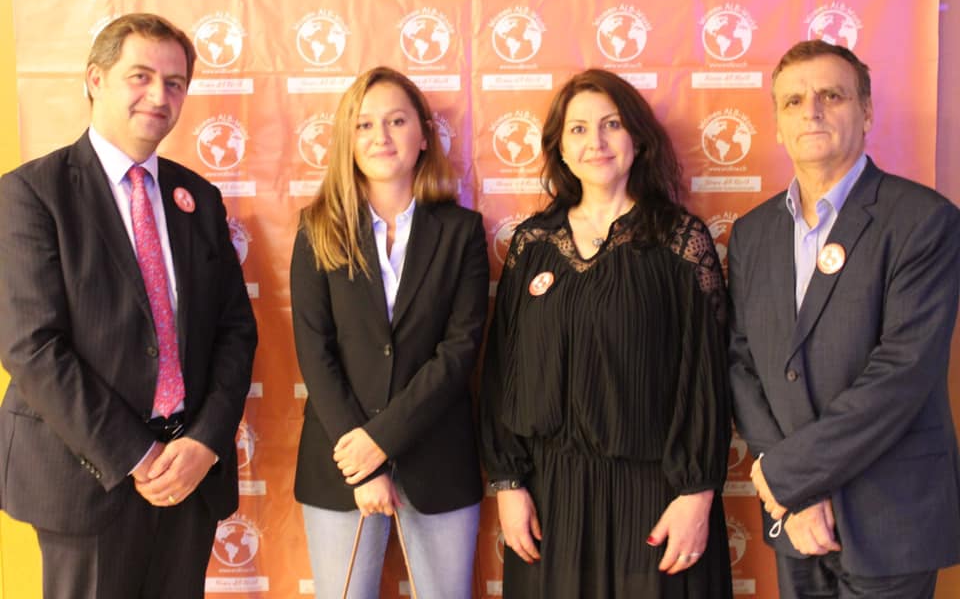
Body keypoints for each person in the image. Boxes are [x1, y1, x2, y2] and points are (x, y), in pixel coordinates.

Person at [0, 13, 258, 599]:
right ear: (95, 79)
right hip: (86, 479)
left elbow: (235, 332)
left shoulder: (199, 198)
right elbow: (31, 347)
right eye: (140, 76)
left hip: (189, 478)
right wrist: (138, 455)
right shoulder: (32, 193)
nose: (159, 96)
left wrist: (204, 442)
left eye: (175, 83)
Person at [480, 68, 733, 598]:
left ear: (638, 138)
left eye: (611, 124)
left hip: (657, 494)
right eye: (578, 129)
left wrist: (697, 493)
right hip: (549, 499)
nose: (594, 142)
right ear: (560, 147)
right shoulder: (532, 244)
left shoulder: (680, 242)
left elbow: (707, 377)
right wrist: (508, 483)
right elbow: (504, 370)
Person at [728, 40, 960, 599]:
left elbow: (902, 372)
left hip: (890, 516)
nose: (811, 111)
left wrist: (789, 476)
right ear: (777, 124)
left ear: (867, 111)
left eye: (831, 96)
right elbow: (742, 364)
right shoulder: (752, 234)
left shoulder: (924, 221)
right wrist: (796, 495)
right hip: (796, 522)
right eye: (793, 101)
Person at [290, 66, 489, 598]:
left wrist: (382, 440)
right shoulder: (317, 229)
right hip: (340, 461)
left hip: (438, 460)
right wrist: (361, 461)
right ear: (347, 140)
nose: (380, 136)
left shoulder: (462, 232)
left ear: (423, 135)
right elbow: (314, 350)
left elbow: (460, 350)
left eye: (397, 121)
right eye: (364, 124)